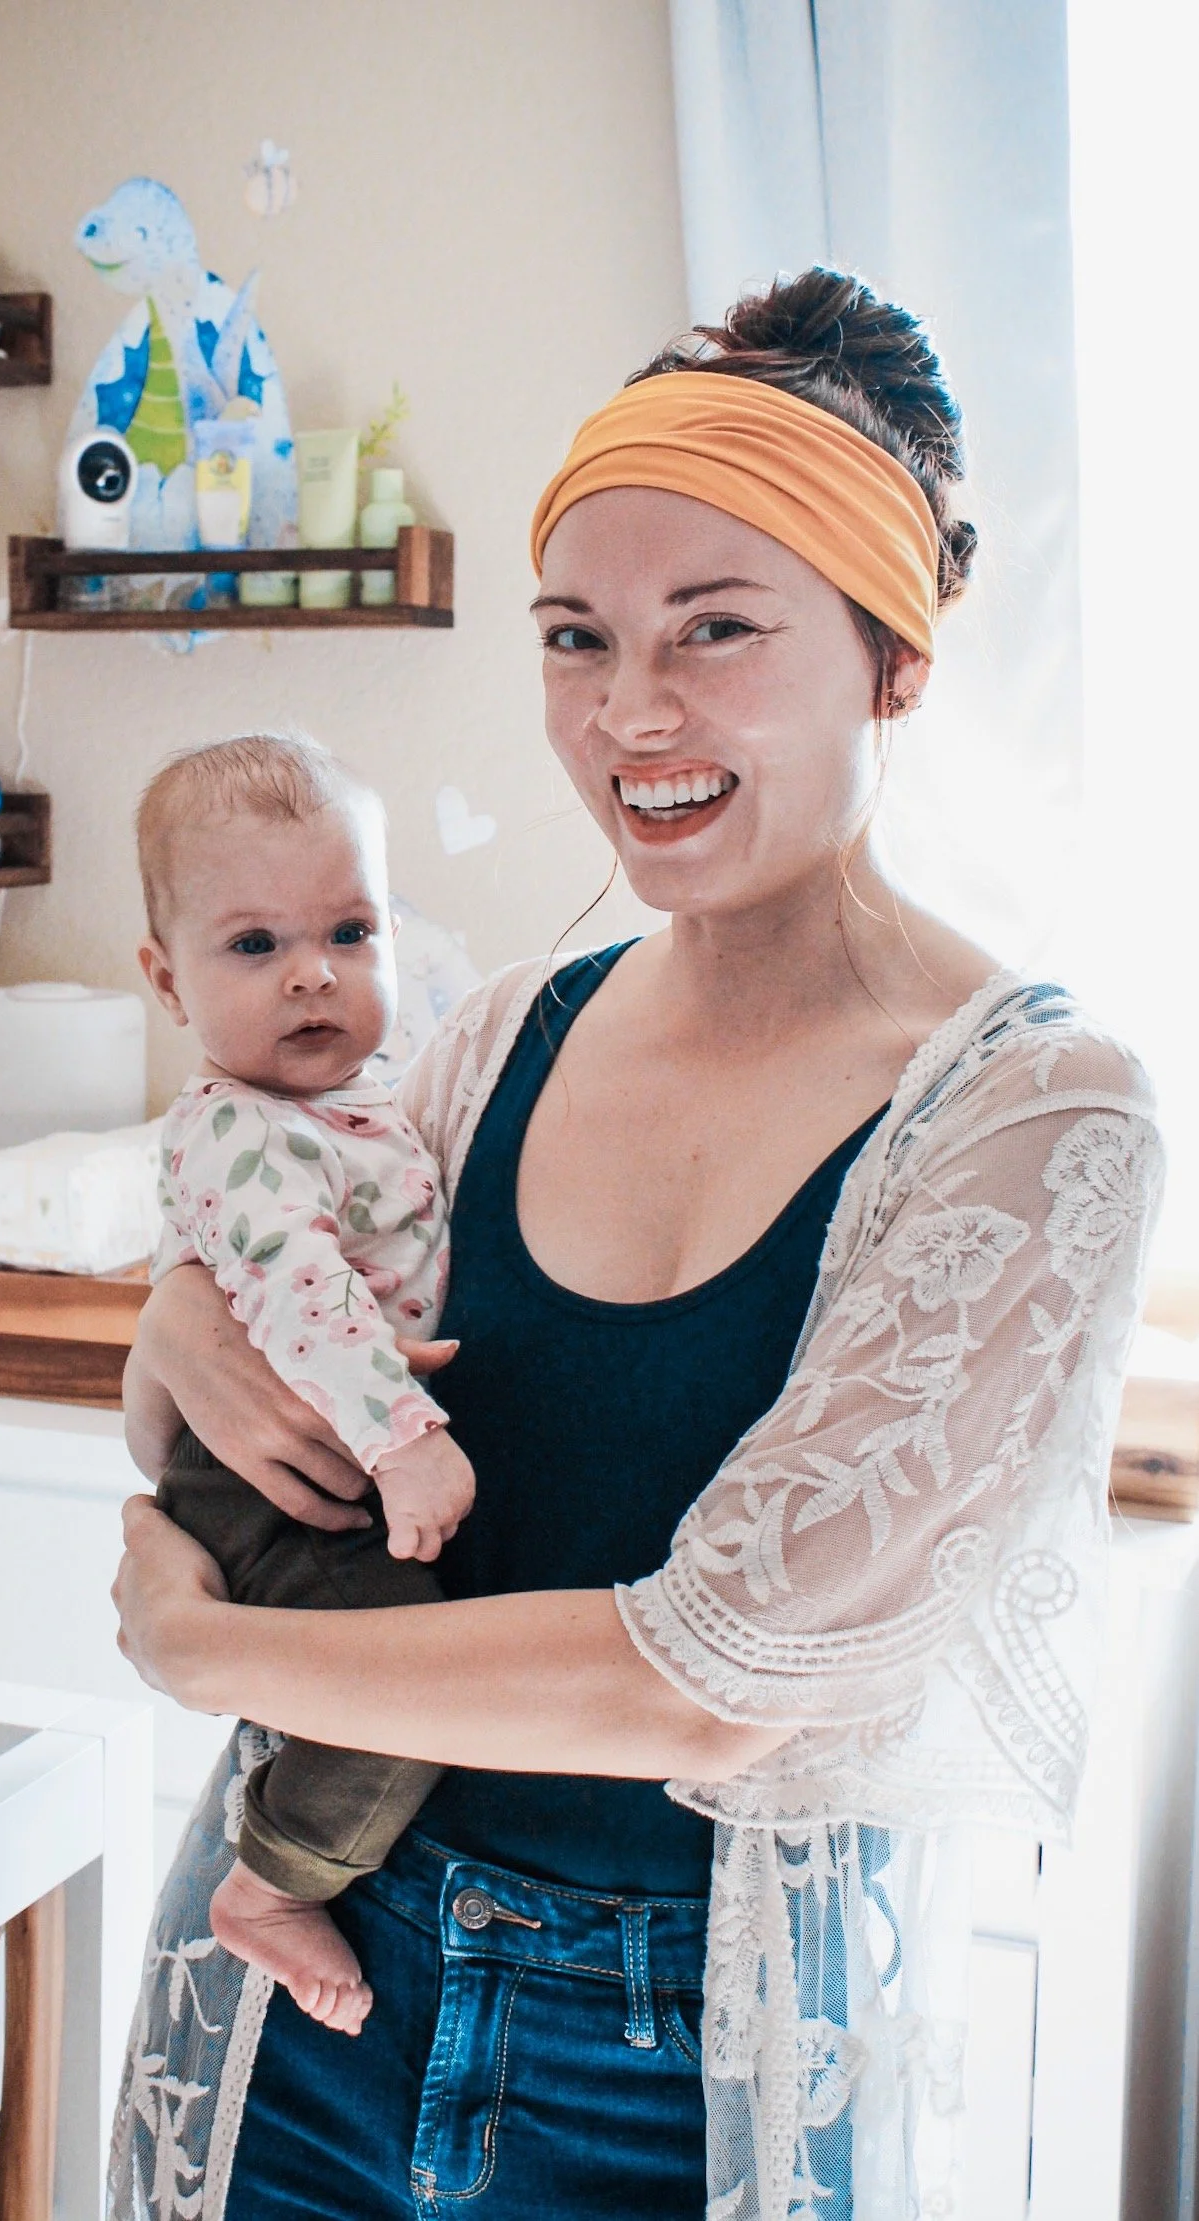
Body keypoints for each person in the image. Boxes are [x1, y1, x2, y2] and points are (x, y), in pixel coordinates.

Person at [108, 270, 1162, 2221]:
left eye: (717, 634)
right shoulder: (496, 1034)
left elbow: (711, 1678)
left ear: (895, 659)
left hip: (677, 2056)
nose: (628, 716)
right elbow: (232, 1359)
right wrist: (173, 1316)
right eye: (578, 639)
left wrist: (196, 1647)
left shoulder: (1028, 1114)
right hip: (320, 1982)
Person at [135, 733, 476, 2037]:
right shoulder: (242, 1126)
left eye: (349, 928)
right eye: (256, 946)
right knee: (397, 1701)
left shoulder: (364, 1097)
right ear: (168, 981)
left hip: (329, 1435)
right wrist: (402, 1439)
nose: (314, 974)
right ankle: (272, 1886)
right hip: (263, 1478)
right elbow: (297, 1295)